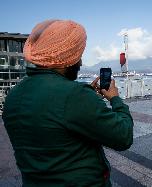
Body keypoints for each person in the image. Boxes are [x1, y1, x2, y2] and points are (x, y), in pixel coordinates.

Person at [2, 19, 134, 187]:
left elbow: (50, 116)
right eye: (77, 56)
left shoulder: (14, 94)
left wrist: (86, 95)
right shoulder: (75, 96)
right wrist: (115, 99)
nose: (80, 63)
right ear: (64, 57)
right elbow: (123, 137)